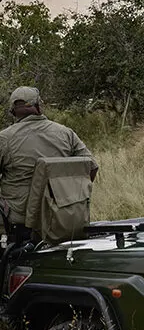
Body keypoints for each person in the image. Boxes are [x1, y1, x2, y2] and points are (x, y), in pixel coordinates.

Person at [0, 87, 98, 240]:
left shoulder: (5, 138)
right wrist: (70, 196)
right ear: (39, 106)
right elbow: (91, 167)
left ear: (13, 111)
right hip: (62, 219)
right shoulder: (66, 133)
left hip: (19, 224)